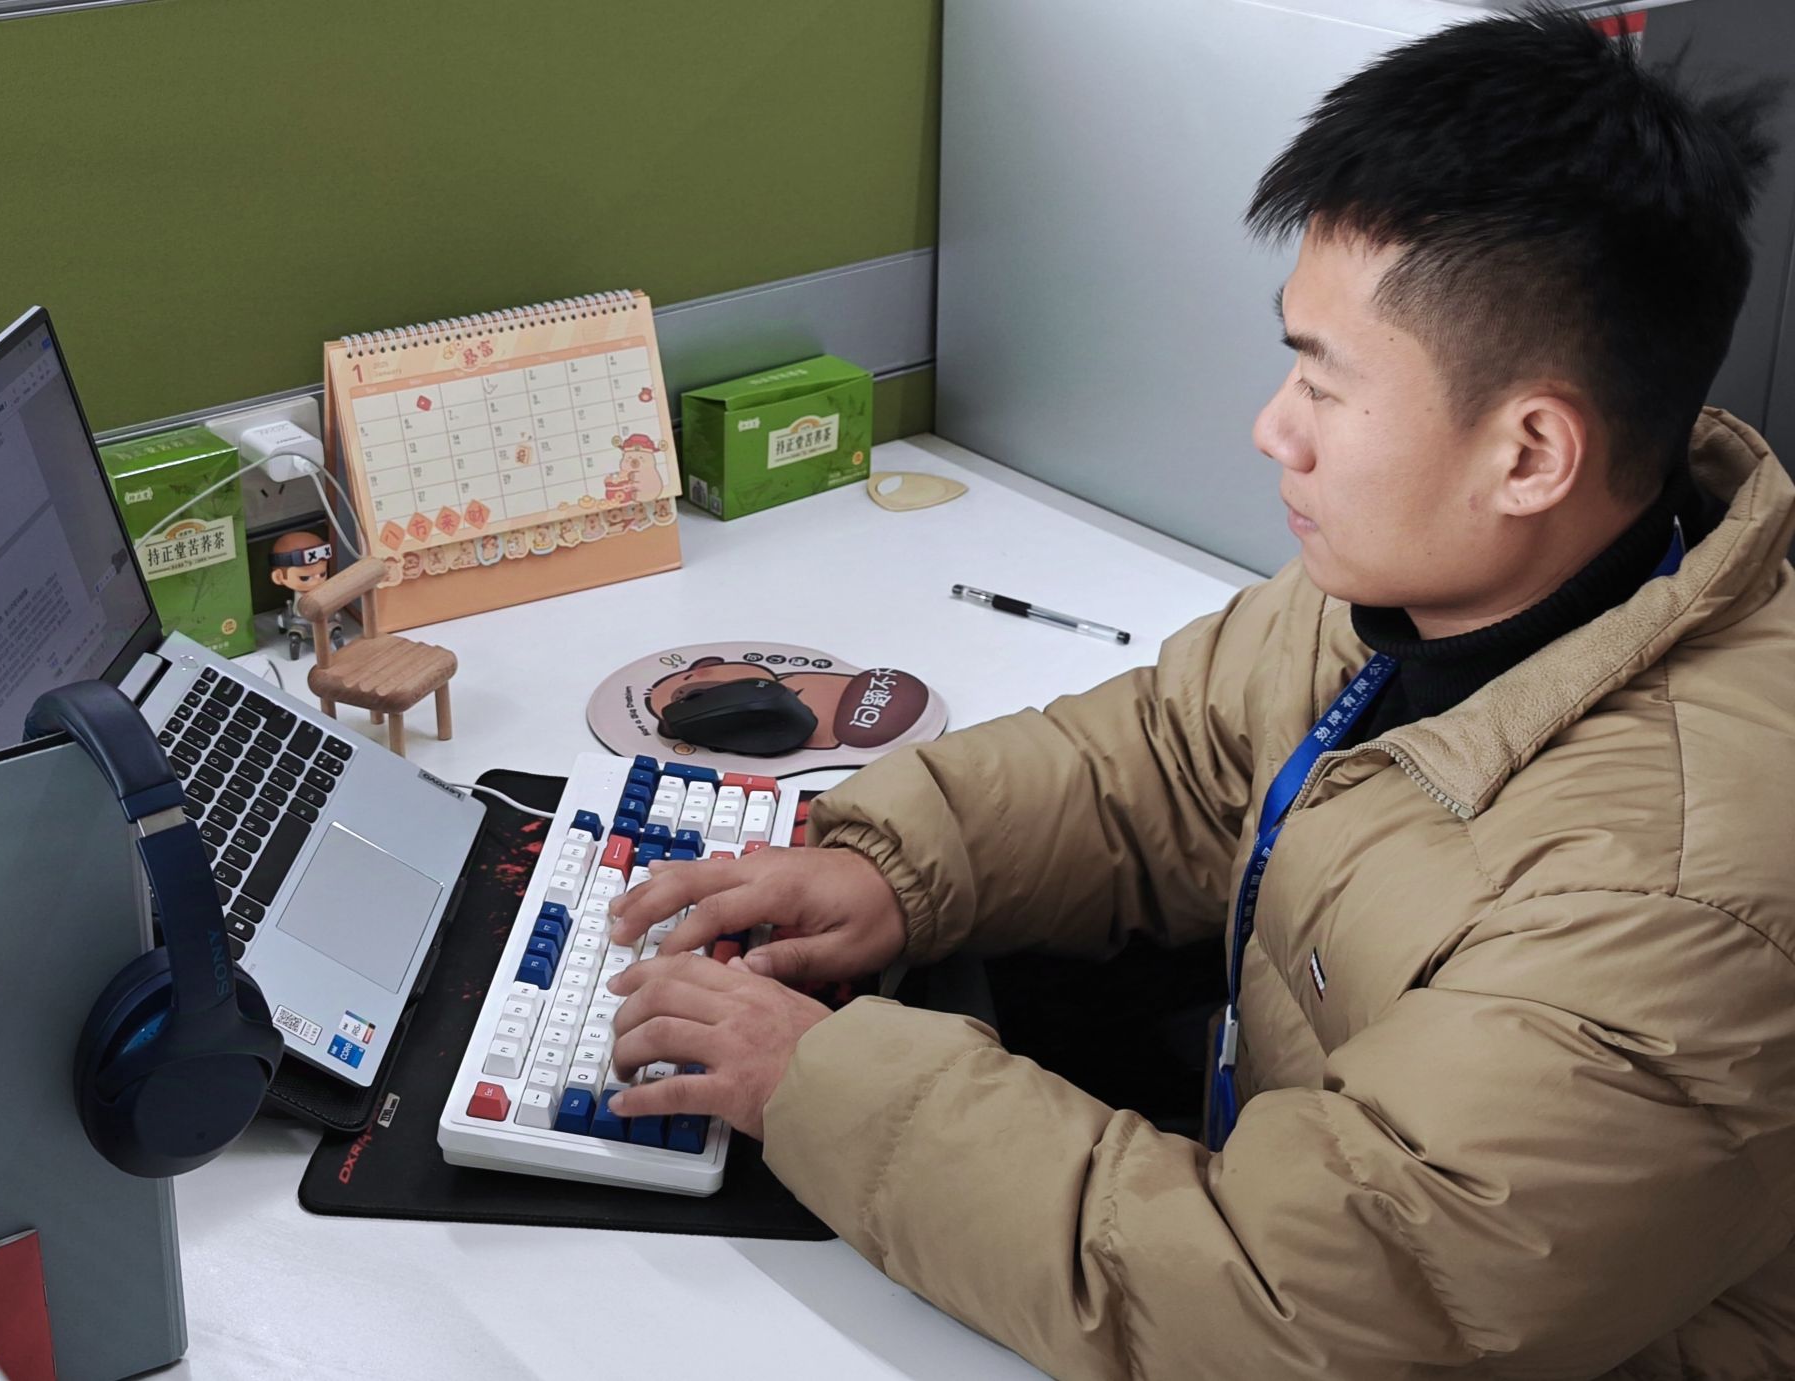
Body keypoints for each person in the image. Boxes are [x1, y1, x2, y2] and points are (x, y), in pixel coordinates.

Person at [605, 13, 1794, 1379]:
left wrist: (819, 1086)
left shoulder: (1670, 908)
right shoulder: (1453, 583)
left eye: (1325, 384)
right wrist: (897, 866)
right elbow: (1170, 759)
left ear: (1529, 455)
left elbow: (1300, 1303)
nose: (1273, 427)